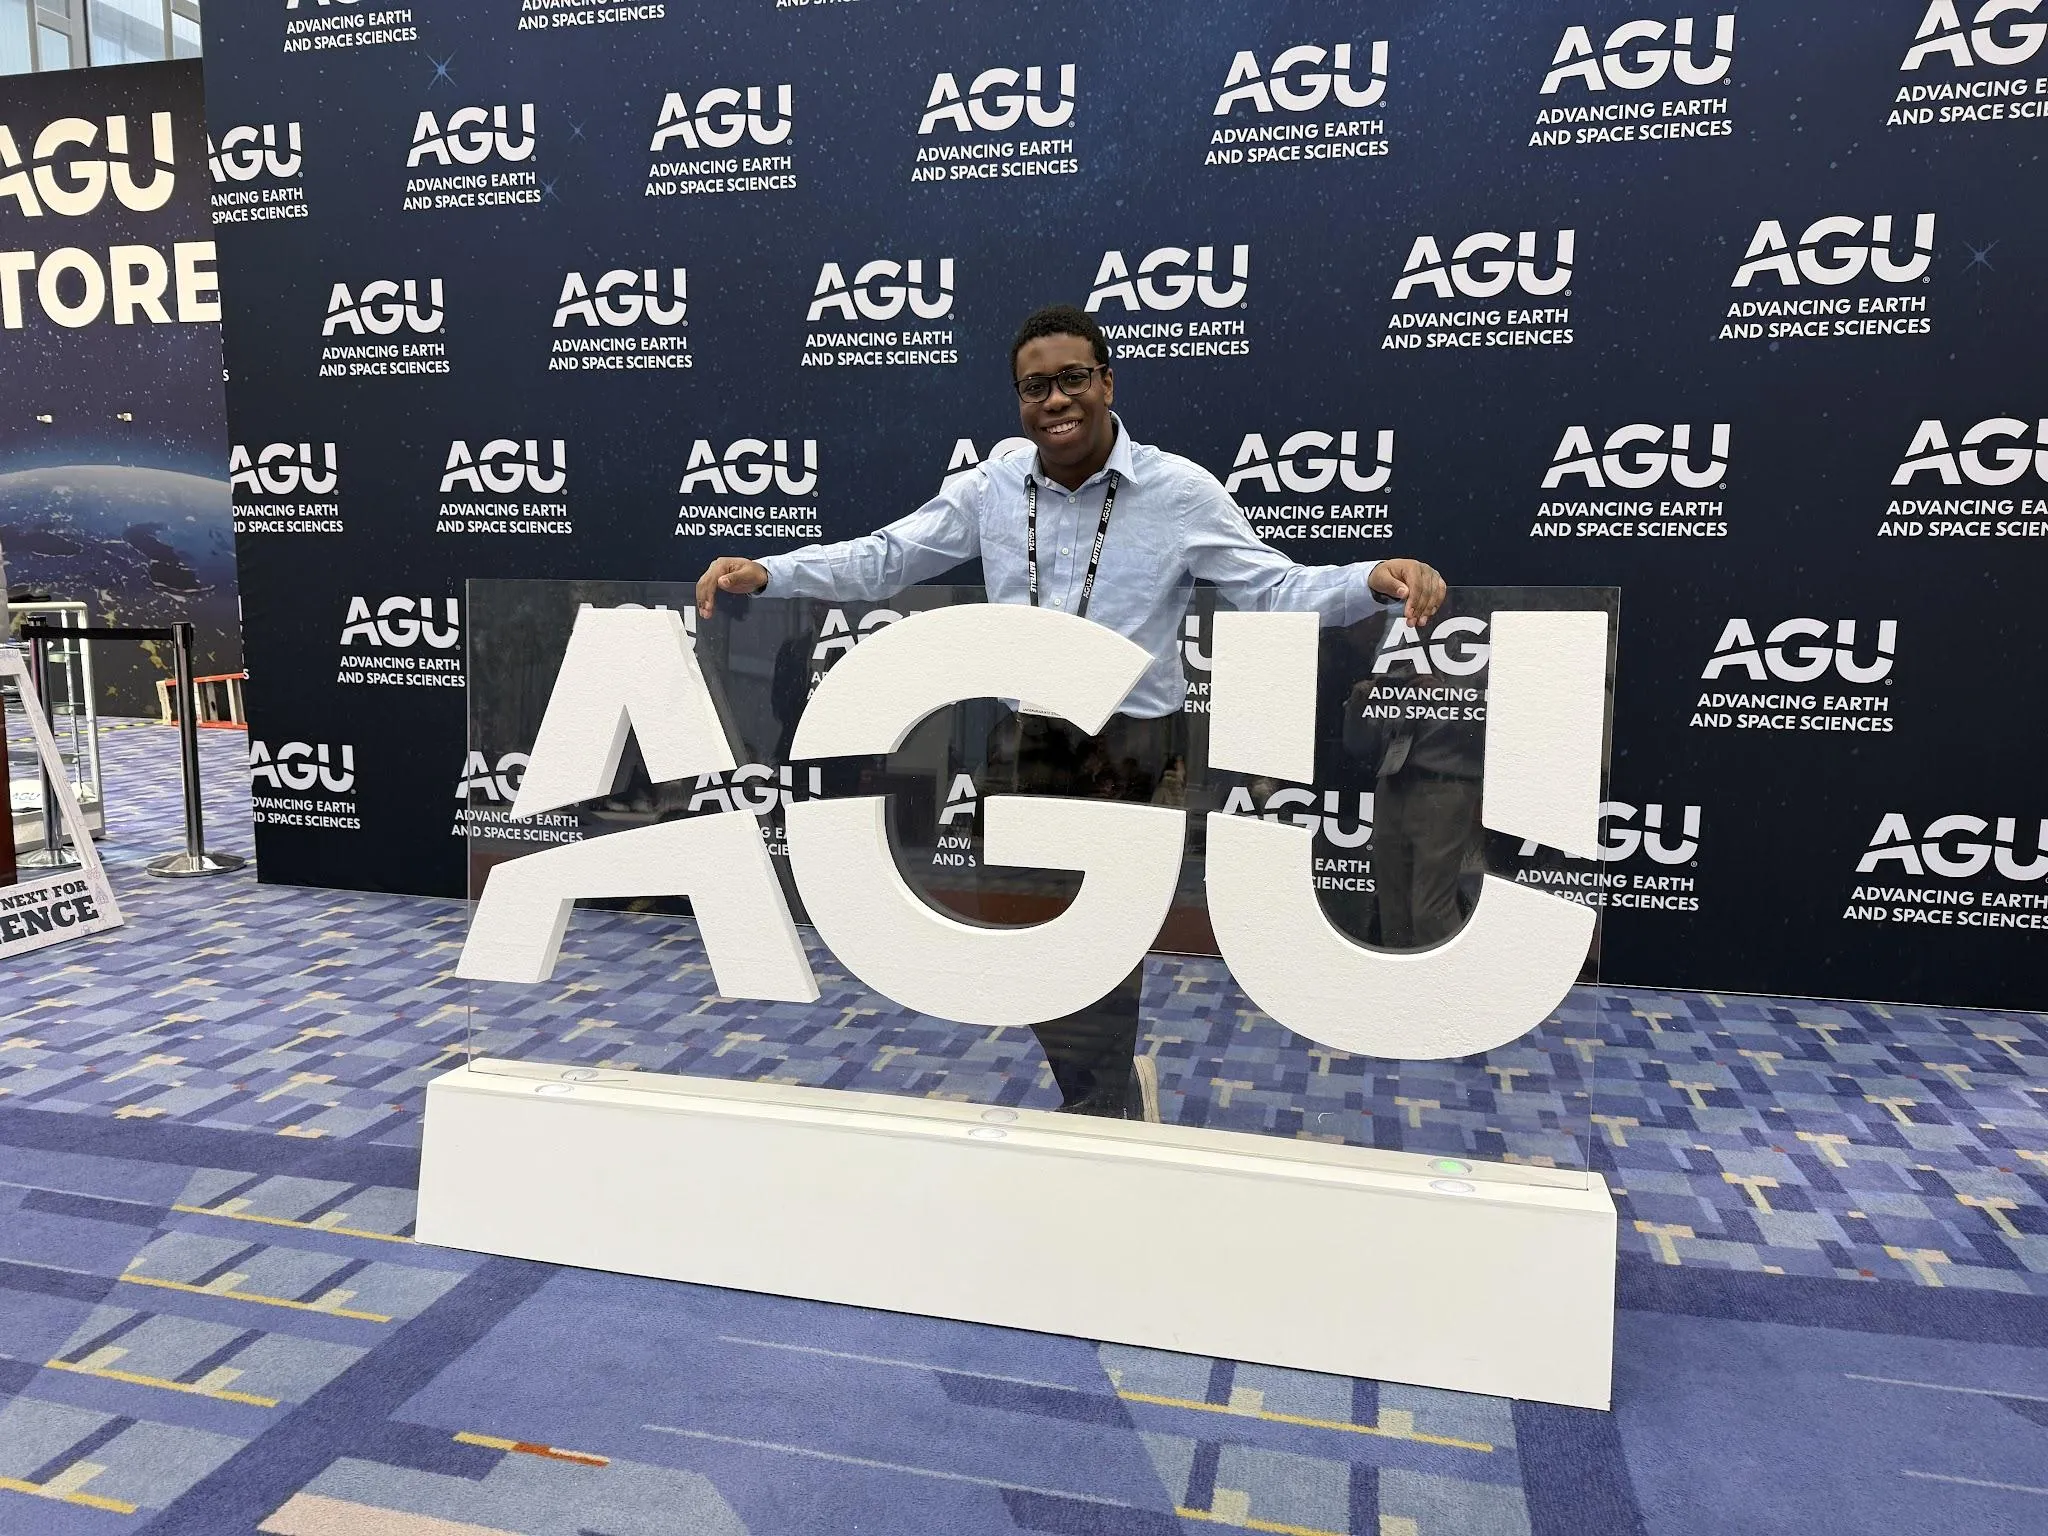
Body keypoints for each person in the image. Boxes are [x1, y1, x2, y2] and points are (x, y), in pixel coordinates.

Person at [697, 304, 1446, 1120]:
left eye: (1072, 380)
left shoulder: (1177, 490)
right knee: (1034, 939)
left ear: (1107, 382)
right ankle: (1110, 1093)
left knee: (1102, 942)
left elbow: (1272, 584)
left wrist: (1371, 575)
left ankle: (1098, 1112)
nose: (1055, 400)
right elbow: (887, 557)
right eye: (1035, 387)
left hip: (1131, 747)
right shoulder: (991, 487)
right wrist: (770, 572)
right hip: (1026, 740)